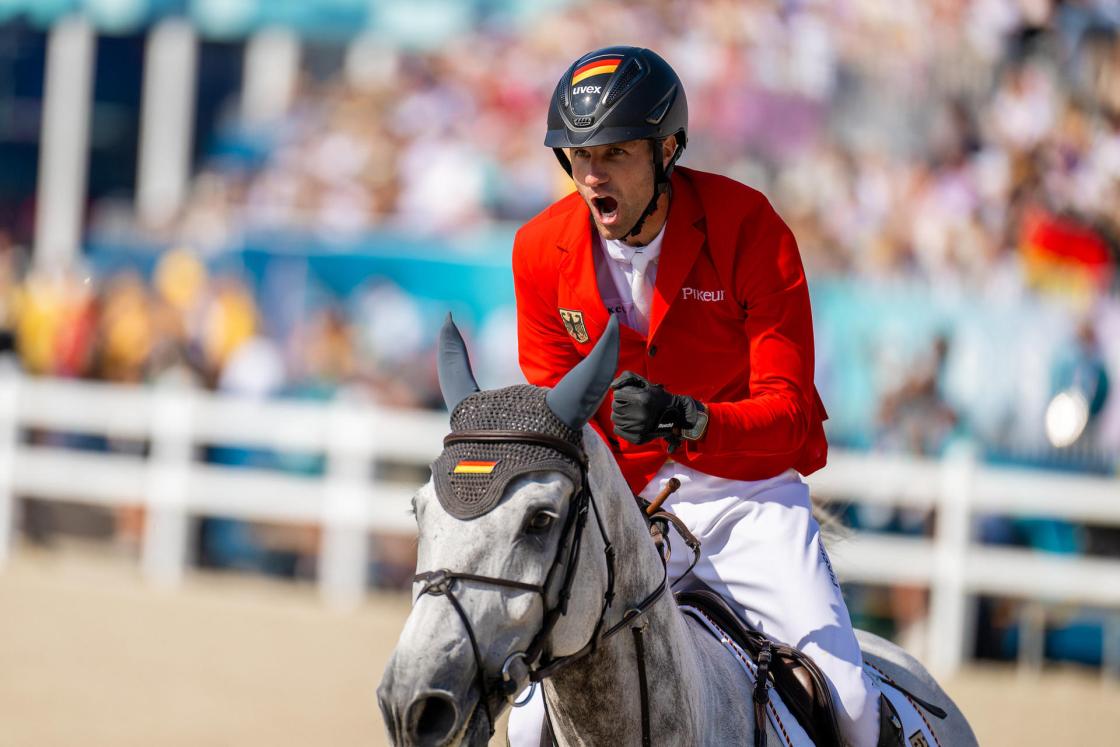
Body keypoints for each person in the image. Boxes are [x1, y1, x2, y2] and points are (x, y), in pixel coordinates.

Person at [510, 46, 888, 746]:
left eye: (616, 153)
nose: (593, 177)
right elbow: (556, 418)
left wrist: (691, 419)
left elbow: (792, 411)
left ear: (668, 148)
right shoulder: (539, 250)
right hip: (621, 512)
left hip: (747, 501)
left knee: (852, 698)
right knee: (532, 718)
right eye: (580, 155)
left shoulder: (749, 227)